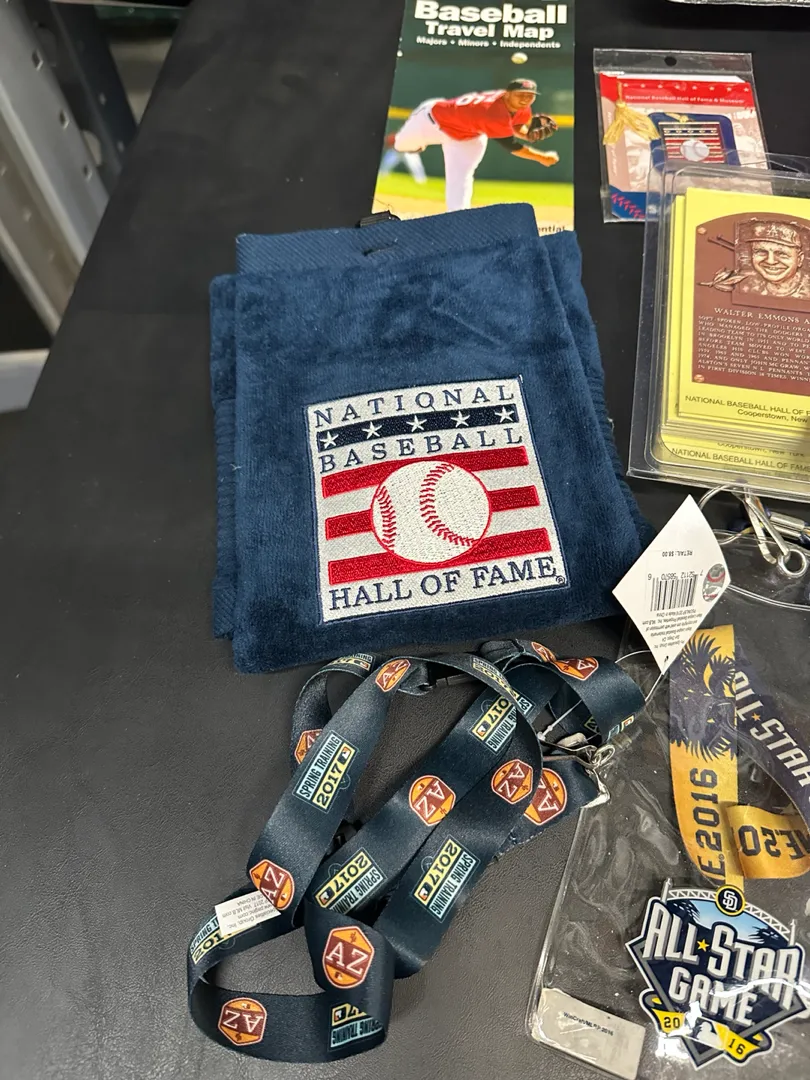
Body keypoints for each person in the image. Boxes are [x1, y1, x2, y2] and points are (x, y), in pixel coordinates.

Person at [393, 78, 559, 212]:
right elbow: (512, 146)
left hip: (467, 136)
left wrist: (527, 134)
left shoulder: (520, 106)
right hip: (432, 122)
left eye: (530, 95)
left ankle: (458, 220)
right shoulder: (492, 112)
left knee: (461, 177)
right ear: (507, 94)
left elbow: (515, 125)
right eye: (520, 94)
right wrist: (542, 157)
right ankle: (415, 146)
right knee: (400, 145)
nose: (525, 99)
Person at [737, 219, 810, 299]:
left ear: (799, 259)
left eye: (781, 254)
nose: (770, 261)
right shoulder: (745, 285)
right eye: (762, 252)